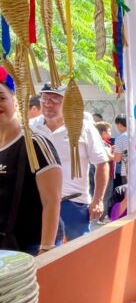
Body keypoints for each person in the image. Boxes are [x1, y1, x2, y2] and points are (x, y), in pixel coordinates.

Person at [31, 83, 109, 241]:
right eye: (44, 98)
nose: (48, 104)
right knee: (39, 250)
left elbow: (101, 163)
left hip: (73, 204)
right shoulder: (31, 127)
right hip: (37, 203)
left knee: (75, 252)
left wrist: (98, 200)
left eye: (55, 100)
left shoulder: (83, 128)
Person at [0, 67, 63, 255]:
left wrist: (46, 249)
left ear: (15, 102)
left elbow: (52, 202)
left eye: (2, 98)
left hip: (30, 247)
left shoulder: (35, 145)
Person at [94, 121, 116, 221]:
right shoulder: (102, 144)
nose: (111, 133)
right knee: (105, 196)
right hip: (106, 175)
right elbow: (107, 158)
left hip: (108, 174)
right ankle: (101, 218)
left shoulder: (103, 143)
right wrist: (115, 155)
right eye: (109, 131)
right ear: (103, 133)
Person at [113, 114, 128, 188]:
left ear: (119, 124)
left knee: (128, 193)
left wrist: (107, 153)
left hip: (126, 172)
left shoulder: (120, 138)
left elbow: (117, 159)